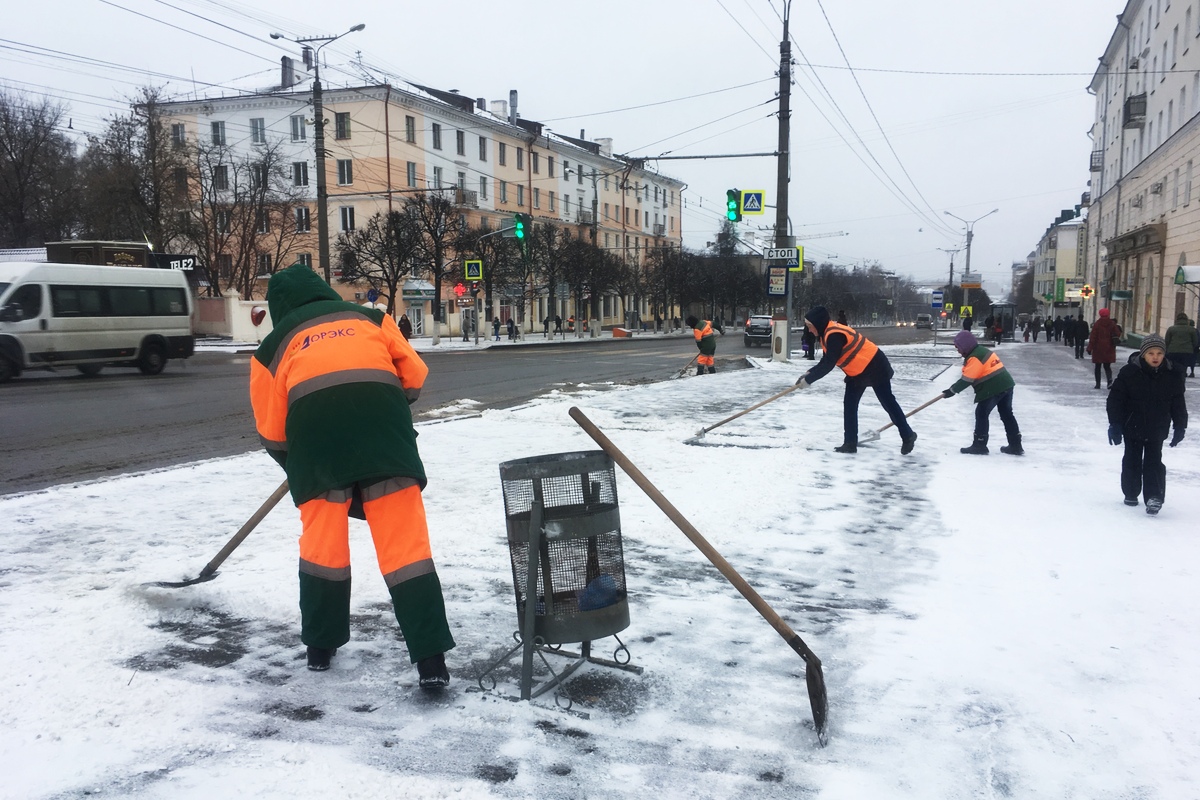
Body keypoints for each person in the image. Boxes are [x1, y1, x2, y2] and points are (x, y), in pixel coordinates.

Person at [249, 263, 455, 685]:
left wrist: (302, 466)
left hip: (317, 452)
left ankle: (320, 649)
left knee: (322, 549)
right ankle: (431, 660)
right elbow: (414, 375)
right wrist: (386, 404)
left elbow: (271, 430)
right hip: (386, 442)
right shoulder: (371, 317)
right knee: (406, 550)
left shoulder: (272, 347)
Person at [794, 306, 918, 455]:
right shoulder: (827, 332)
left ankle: (907, 435)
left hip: (875, 365)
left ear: (818, 323)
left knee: (887, 402)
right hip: (857, 372)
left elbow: (829, 364)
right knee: (850, 404)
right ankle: (850, 443)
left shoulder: (834, 334)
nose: (810, 330)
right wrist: (809, 374)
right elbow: (826, 360)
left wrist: (809, 380)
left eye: (810, 327)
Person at [1106, 334, 1187, 515]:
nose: (1155, 357)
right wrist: (1115, 424)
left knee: (1154, 461)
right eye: (1151, 353)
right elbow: (1115, 400)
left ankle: (1154, 496)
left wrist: (1180, 425)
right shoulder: (1129, 373)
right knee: (1132, 459)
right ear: (1143, 354)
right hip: (1133, 425)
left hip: (1157, 426)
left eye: (1159, 353)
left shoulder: (1172, 375)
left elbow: (1178, 403)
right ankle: (1131, 492)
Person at [941, 330, 1022, 455]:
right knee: (1007, 415)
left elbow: (967, 379)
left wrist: (952, 391)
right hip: (1006, 384)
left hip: (993, 387)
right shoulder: (981, 351)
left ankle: (980, 444)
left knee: (981, 413)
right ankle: (1015, 445)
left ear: (965, 345)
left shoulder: (975, 357)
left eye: (958, 347)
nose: (957, 350)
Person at [1087, 307, 1122, 389]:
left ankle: (1098, 384)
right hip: (1109, 348)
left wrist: (1090, 348)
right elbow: (1118, 333)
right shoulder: (1112, 324)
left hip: (1098, 349)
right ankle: (1109, 382)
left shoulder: (1097, 324)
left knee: (1097, 367)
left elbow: (1093, 337)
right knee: (1107, 367)